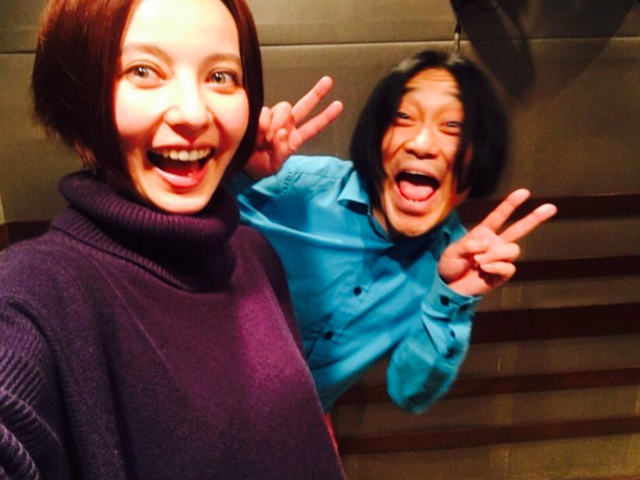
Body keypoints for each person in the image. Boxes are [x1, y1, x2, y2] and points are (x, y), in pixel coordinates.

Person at [0, 0, 345, 478]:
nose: (194, 113)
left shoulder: (253, 254)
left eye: (221, 76)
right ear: (79, 92)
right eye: (144, 71)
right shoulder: (31, 291)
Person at [233, 50, 557, 414]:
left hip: (297, 426)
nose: (421, 143)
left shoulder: (455, 266)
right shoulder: (294, 185)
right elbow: (188, 234)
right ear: (374, 135)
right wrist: (237, 171)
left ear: (481, 154)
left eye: (453, 126)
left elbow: (409, 393)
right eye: (403, 117)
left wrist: (451, 299)